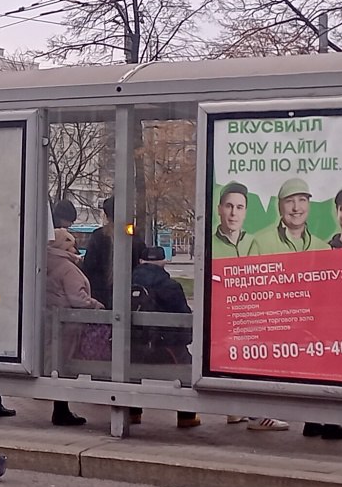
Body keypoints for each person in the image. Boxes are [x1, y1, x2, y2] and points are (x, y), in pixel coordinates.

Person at [127, 243, 200, 429]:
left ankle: (132, 413)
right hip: (164, 347)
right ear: (163, 262)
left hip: (133, 345)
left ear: (141, 261)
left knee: (129, 369)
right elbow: (183, 317)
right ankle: (186, 417)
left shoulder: (125, 283)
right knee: (187, 369)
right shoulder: (171, 286)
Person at [46, 226, 97, 427]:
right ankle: (61, 411)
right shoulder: (67, 267)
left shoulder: (43, 261)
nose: (76, 249)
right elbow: (78, 298)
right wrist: (95, 305)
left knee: (53, 363)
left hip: (49, 320)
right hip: (67, 325)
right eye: (72, 244)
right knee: (64, 366)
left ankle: (60, 409)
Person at [243, 179, 321, 256]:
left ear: (308, 204)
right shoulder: (261, 245)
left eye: (302, 200)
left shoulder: (322, 248)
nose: (296, 208)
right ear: (279, 207)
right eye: (289, 201)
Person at [81, 197, 117, 309]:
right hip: (128, 294)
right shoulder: (133, 238)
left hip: (100, 294)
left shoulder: (99, 236)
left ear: (106, 215)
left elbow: (89, 266)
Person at [211, 183, 250, 259]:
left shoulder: (254, 243)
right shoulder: (210, 245)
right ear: (219, 210)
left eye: (239, 207)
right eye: (228, 206)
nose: (233, 213)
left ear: (245, 212)